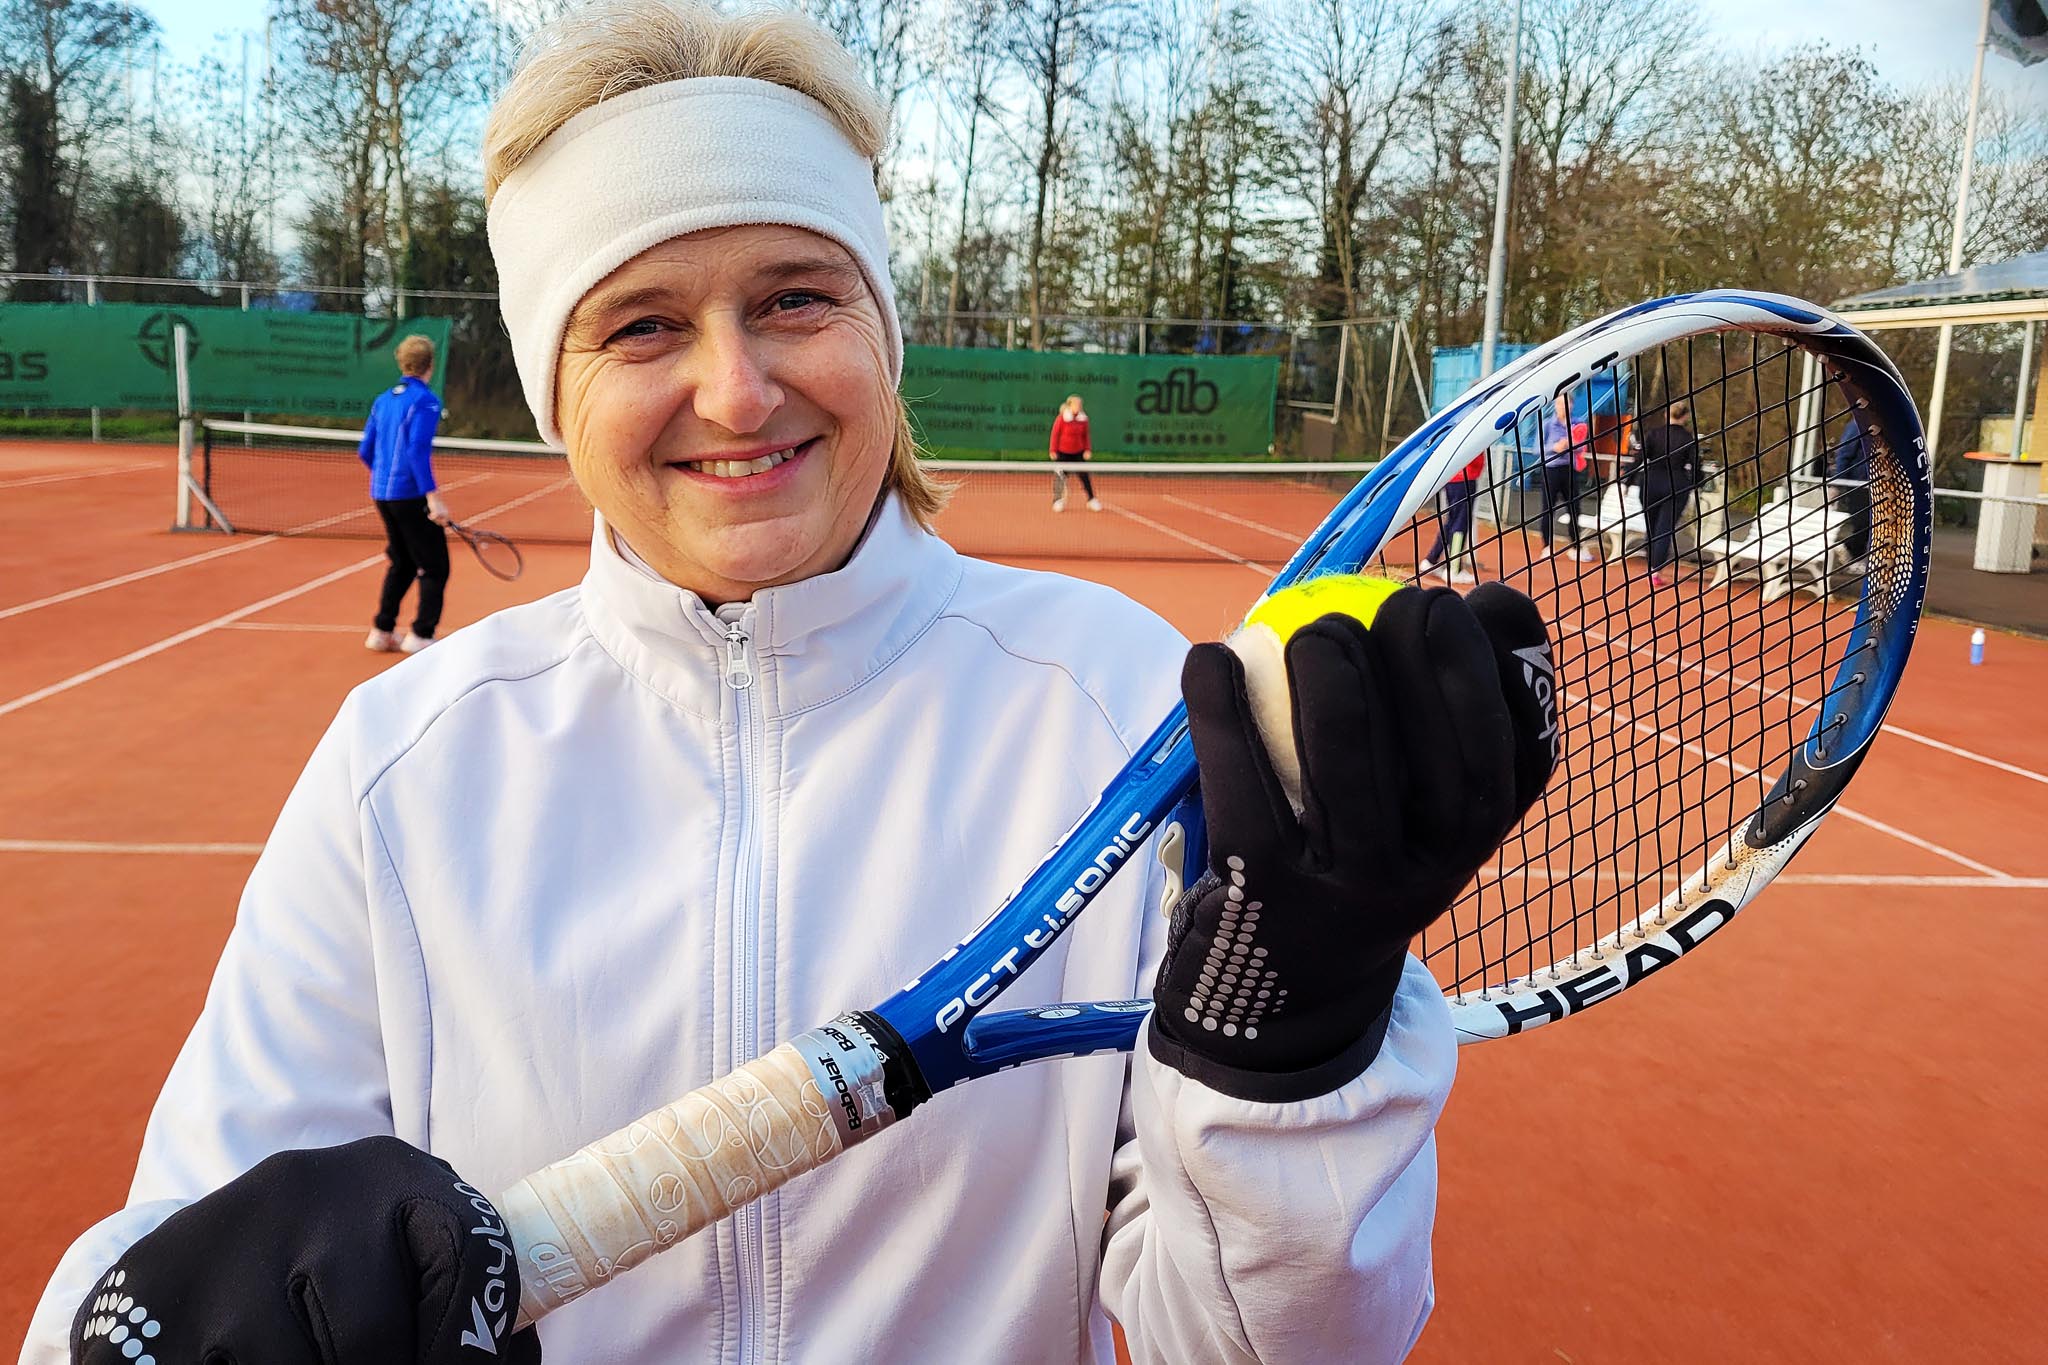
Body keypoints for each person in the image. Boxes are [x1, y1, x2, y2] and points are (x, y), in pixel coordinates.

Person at [27, 4, 1553, 1362]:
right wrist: (196, 1308)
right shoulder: (405, 765)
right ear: (560, 395)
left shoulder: (1125, 707)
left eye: (795, 298)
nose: (738, 388)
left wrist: (1294, 1073)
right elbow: (136, 1291)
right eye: (642, 326)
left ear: (880, 331)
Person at [359, 334, 452, 653]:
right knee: (435, 566)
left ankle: (382, 630)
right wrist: (432, 498)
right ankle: (421, 635)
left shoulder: (383, 400)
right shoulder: (426, 401)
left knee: (402, 562)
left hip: (382, 495)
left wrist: (386, 479)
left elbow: (365, 450)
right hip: (409, 496)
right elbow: (416, 451)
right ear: (430, 365)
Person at [1631, 398, 1702, 587]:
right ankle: (1656, 569)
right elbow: (1696, 467)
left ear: (1666, 414)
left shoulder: (1654, 434)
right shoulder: (1688, 439)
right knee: (1665, 528)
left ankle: (1651, 563)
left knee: (1651, 526)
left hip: (1651, 483)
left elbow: (1638, 459)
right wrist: (1696, 483)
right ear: (1685, 417)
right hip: (1676, 485)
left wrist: (1626, 481)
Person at [1539, 393, 1593, 562]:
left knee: (1574, 509)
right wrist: (1554, 447)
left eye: (1566, 404)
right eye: (1559, 404)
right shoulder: (1547, 424)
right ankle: (1547, 546)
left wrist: (1572, 446)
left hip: (1570, 470)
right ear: (1555, 406)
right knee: (1548, 509)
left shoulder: (1578, 423)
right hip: (1551, 470)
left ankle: (1575, 546)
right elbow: (1537, 449)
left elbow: (1583, 447)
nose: (1563, 407)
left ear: (1571, 406)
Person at [1419, 450, 1485, 583]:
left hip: (1454, 477)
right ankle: (1454, 570)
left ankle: (1432, 559)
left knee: (1453, 520)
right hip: (1464, 478)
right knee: (1460, 524)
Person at [1832, 411, 1872, 566]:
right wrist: (1837, 484)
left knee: (1870, 524)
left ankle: (1853, 556)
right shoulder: (1857, 426)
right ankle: (1850, 551)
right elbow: (1844, 455)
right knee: (1863, 523)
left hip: (1873, 486)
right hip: (1856, 484)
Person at [1050, 392, 1100, 510]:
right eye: (1076, 404)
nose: (1078, 406)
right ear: (1070, 405)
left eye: (1079, 404)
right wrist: (1053, 450)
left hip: (1078, 453)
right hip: (1063, 453)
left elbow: (1086, 435)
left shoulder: (1084, 419)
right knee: (1060, 477)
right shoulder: (1061, 418)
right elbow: (1055, 434)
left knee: (1084, 477)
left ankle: (1091, 500)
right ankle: (1058, 501)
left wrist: (1087, 449)